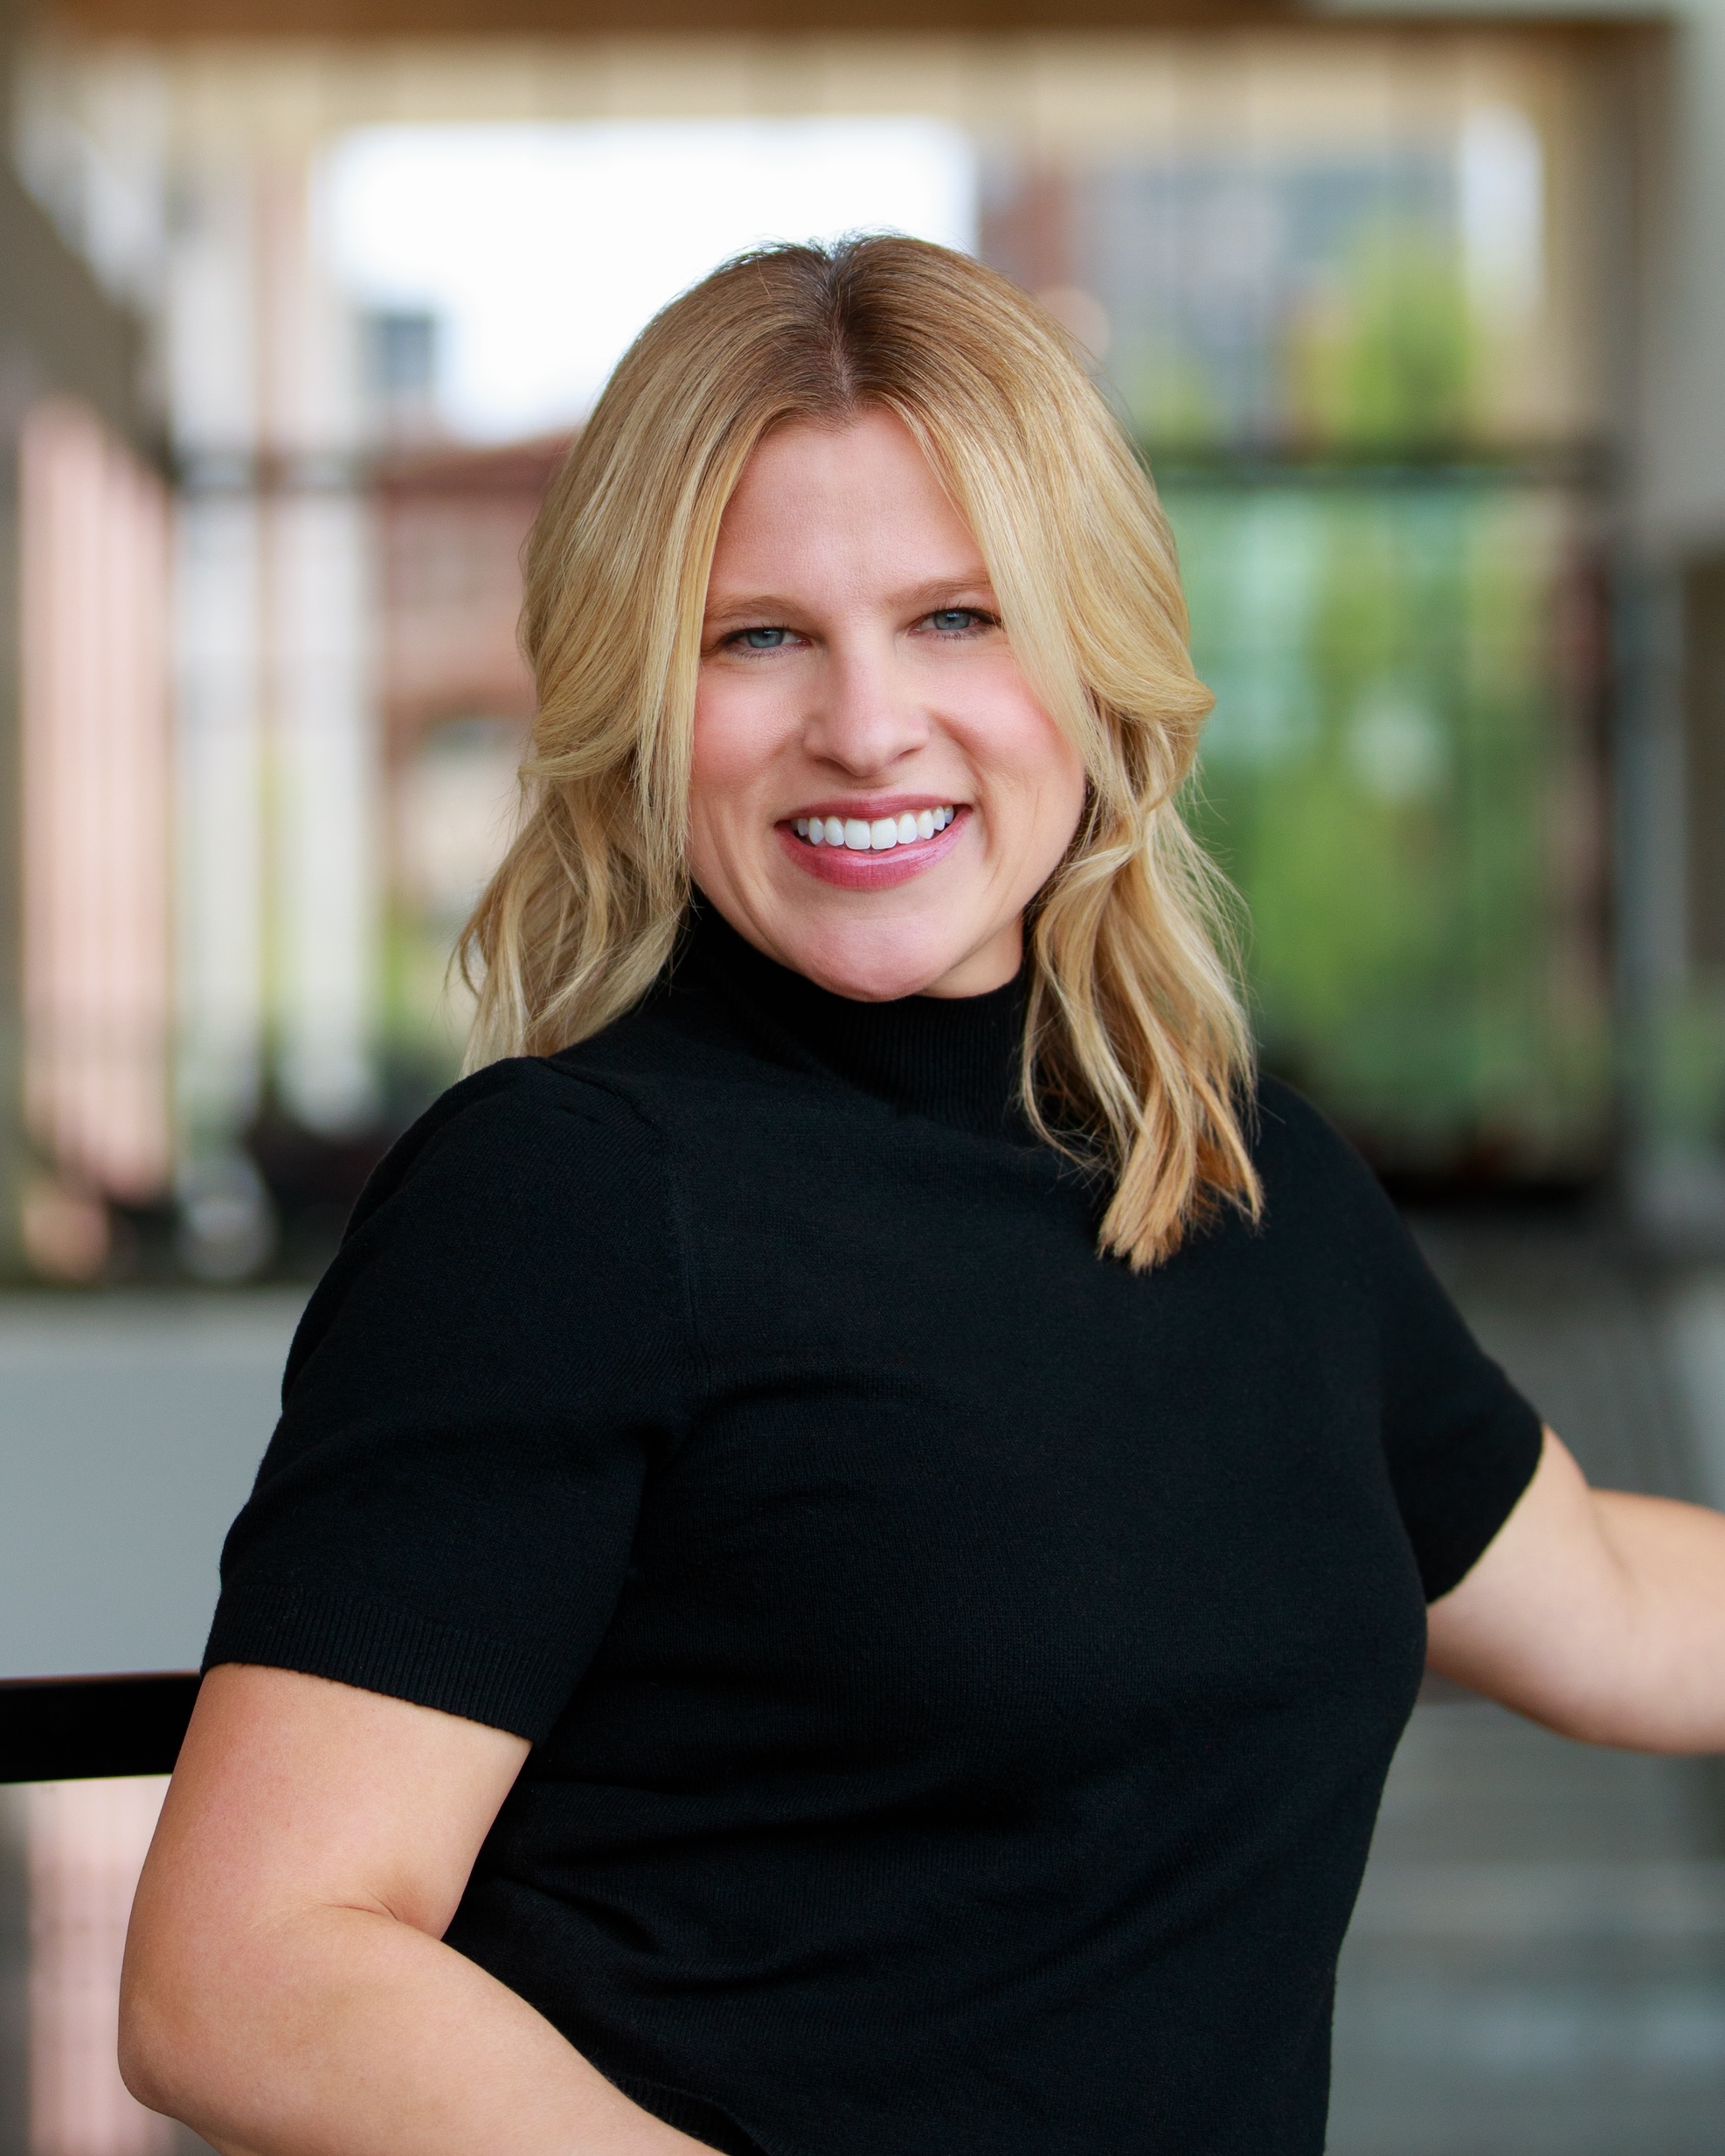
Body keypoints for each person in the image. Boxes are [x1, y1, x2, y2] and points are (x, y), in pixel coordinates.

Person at [121, 236, 1725, 2156]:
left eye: (958, 617)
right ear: (644, 699)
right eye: (758, 634)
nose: (868, 726)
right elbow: (247, 1967)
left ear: (1094, 653)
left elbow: (1620, 1603)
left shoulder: (1234, 1175)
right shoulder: (565, 1201)